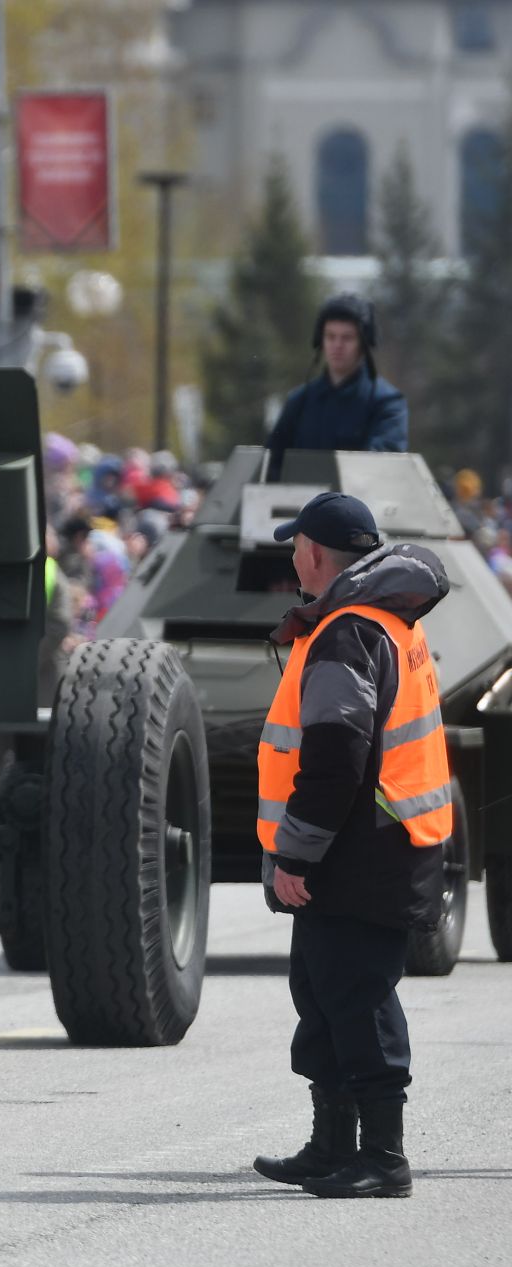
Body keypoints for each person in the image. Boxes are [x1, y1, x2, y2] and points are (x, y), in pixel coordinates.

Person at [252, 491, 451, 1199]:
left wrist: (296, 855)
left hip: (360, 854)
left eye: (294, 546)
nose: (292, 558)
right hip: (371, 847)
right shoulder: (379, 622)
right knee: (324, 990)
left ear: (311, 552)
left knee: (357, 997)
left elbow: (336, 755)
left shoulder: (347, 630)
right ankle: (332, 1144)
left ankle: (383, 1156)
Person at [266, 294, 408, 479]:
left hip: (361, 505)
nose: (337, 345)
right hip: (300, 506)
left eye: (347, 338)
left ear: (363, 344)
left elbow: (382, 467)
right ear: (321, 340)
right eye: (330, 336)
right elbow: (271, 464)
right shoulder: (299, 402)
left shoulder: (387, 403)